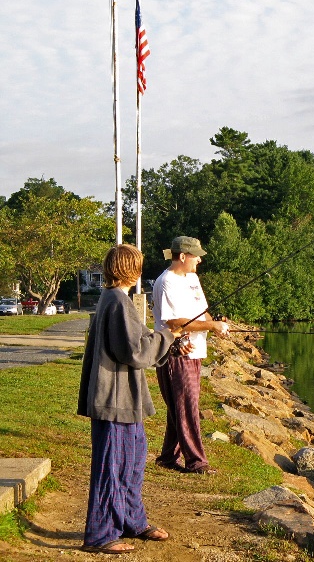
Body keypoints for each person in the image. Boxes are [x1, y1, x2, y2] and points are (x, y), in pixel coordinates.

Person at [77, 244, 179, 555]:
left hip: (125, 399)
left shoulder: (113, 299)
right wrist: (168, 335)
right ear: (131, 269)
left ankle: (133, 521)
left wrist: (168, 342)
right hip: (115, 399)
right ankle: (101, 535)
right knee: (113, 466)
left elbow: (136, 342)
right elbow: (135, 352)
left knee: (132, 462)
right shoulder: (118, 302)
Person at [152, 236, 229, 474]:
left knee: (181, 407)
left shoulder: (192, 278)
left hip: (194, 352)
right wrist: (211, 327)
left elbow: (202, 312)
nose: (199, 260)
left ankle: (167, 458)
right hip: (176, 354)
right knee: (188, 407)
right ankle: (197, 462)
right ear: (183, 257)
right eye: (196, 256)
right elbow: (174, 321)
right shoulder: (166, 282)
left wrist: (216, 324)